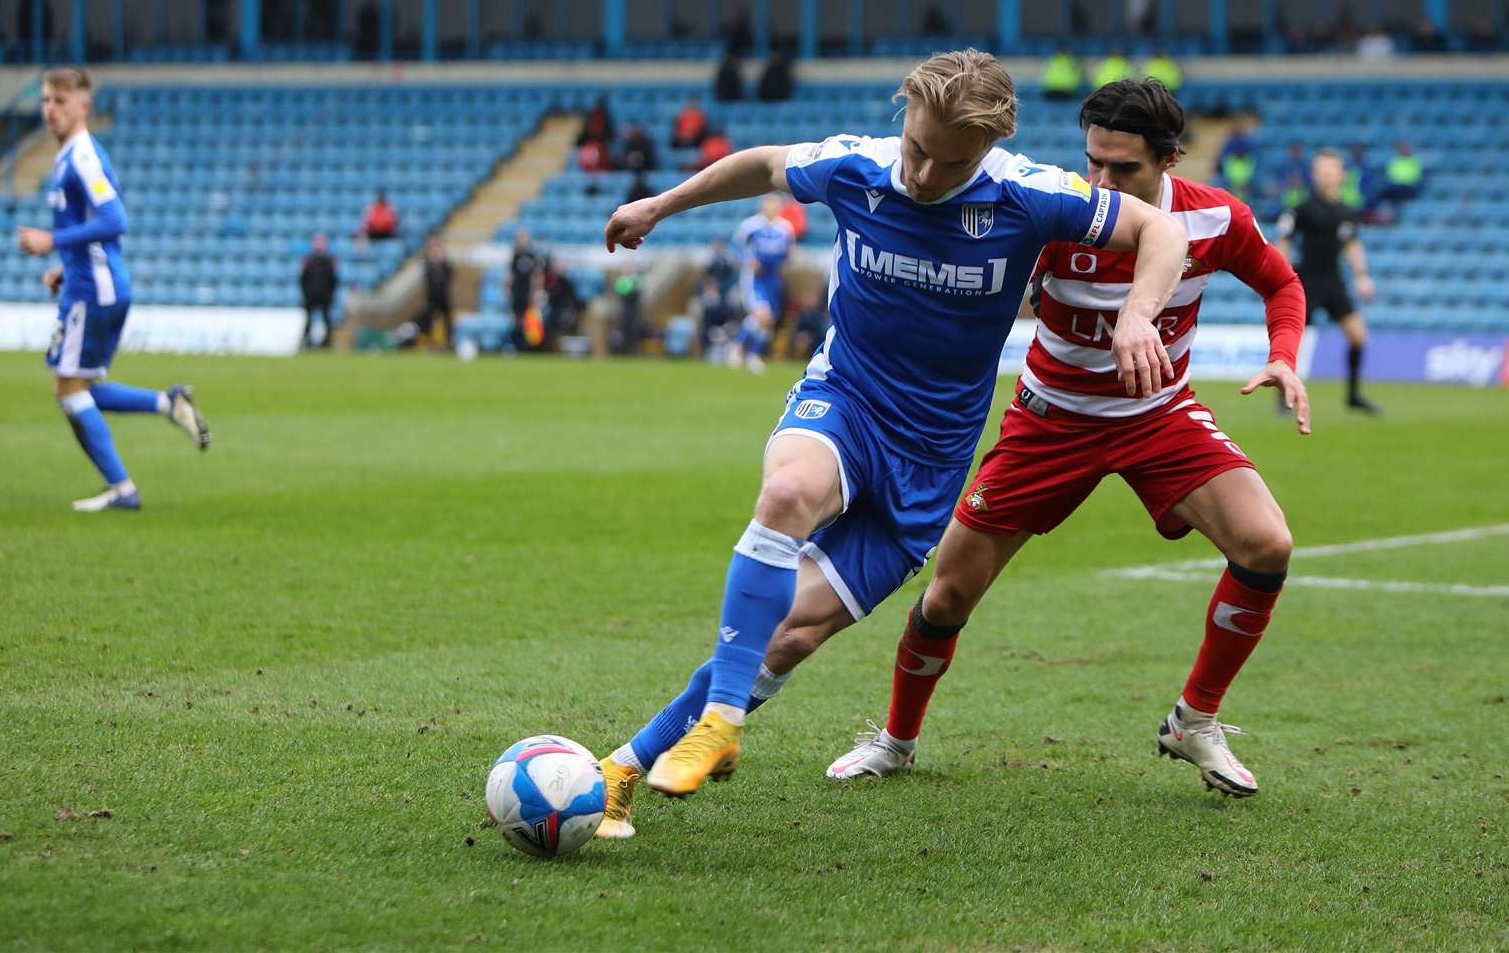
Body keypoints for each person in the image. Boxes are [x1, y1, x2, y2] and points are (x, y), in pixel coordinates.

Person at [591, 49, 1187, 838]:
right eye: (917, 149)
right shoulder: (857, 167)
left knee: (788, 633)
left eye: (952, 161)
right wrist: (659, 206)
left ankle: (626, 765)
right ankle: (724, 721)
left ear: (989, 148)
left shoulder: (1029, 194)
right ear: (902, 119)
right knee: (788, 493)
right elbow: (763, 166)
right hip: (847, 400)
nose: (928, 174)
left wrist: (1139, 312)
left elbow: (1161, 229)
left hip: (929, 462)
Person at [821, 79, 1308, 797]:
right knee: (950, 594)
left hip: (1159, 416)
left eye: (1124, 170)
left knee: (1267, 545)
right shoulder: (1057, 210)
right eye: (1094, 164)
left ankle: (1194, 720)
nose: (1102, 181)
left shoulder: (1214, 220)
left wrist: (1283, 354)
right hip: (1049, 422)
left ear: (1170, 161)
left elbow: (1281, 284)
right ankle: (896, 738)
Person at [15, 66, 210, 512]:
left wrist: (53, 243)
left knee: (68, 391)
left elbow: (114, 219)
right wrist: (65, 266)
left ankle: (123, 488)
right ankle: (169, 402)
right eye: (45, 100)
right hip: (91, 283)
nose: (50, 110)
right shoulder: (73, 156)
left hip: (94, 291)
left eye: (60, 102)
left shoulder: (82, 156)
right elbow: (100, 227)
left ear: (83, 105)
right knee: (83, 387)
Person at [1276, 150, 1380, 414]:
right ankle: (1283, 398)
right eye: (1322, 171)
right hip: (1306, 280)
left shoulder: (1346, 211)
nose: (1326, 176)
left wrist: (1362, 277)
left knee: (1358, 336)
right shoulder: (1302, 208)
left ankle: (1353, 395)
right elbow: (1285, 240)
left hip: (1333, 281)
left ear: (1342, 175)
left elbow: (1352, 244)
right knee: (1293, 342)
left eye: (1331, 171)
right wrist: (1280, 275)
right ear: (1314, 175)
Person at [728, 194, 795, 374]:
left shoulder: (785, 228)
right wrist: (748, 261)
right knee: (762, 315)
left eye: (776, 205)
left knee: (768, 320)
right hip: (754, 278)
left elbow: (787, 253)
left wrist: (788, 257)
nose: (772, 208)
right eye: (769, 204)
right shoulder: (750, 226)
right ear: (762, 206)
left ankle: (747, 352)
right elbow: (735, 247)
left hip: (773, 278)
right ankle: (740, 347)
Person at [299, 232, 339, 348]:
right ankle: (306, 342)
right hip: (311, 296)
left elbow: (333, 280)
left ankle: (327, 343)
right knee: (308, 321)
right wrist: (306, 294)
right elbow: (303, 279)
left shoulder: (329, 261)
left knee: (327, 320)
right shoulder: (308, 260)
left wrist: (330, 296)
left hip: (324, 297)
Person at [508, 227, 541, 350]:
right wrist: (507, 288)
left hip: (528, 292)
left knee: (529, 320)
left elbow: (536, 275)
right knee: (516, 319)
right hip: (517, 291)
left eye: (524, 238)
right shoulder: (515, 255)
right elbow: (511, 274)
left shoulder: (532, 256)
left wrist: (535, 291)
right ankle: (516, 344)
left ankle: (529, 346)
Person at [420, 236, 454, 349]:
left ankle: (448, 342)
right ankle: (429, 341)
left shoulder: (444, 262)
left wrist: (441, 261)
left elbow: (450, 274)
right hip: (432, 297)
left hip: (443, 296)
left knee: (447, 320)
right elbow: (427, 277)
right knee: (429, 320)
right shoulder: (428, 263)